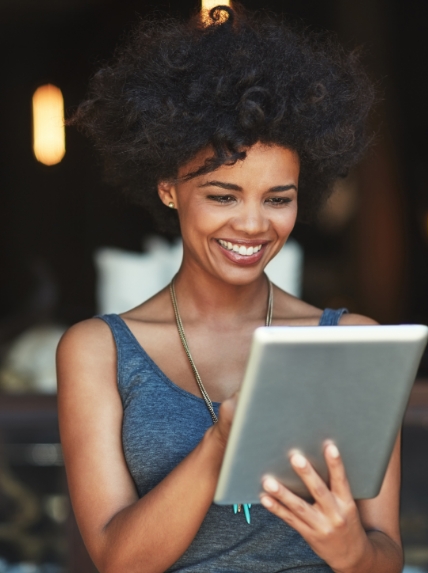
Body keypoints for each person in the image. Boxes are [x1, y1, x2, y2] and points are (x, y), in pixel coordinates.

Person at [57, 5, 402, 573]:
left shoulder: (349, 341)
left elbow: (386, 556)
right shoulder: (99, 351)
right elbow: (118, 561)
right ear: (169, 187)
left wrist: (353, 552)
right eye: (223, 196)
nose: (252, 225)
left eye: (278, 198)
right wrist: (221, 445)